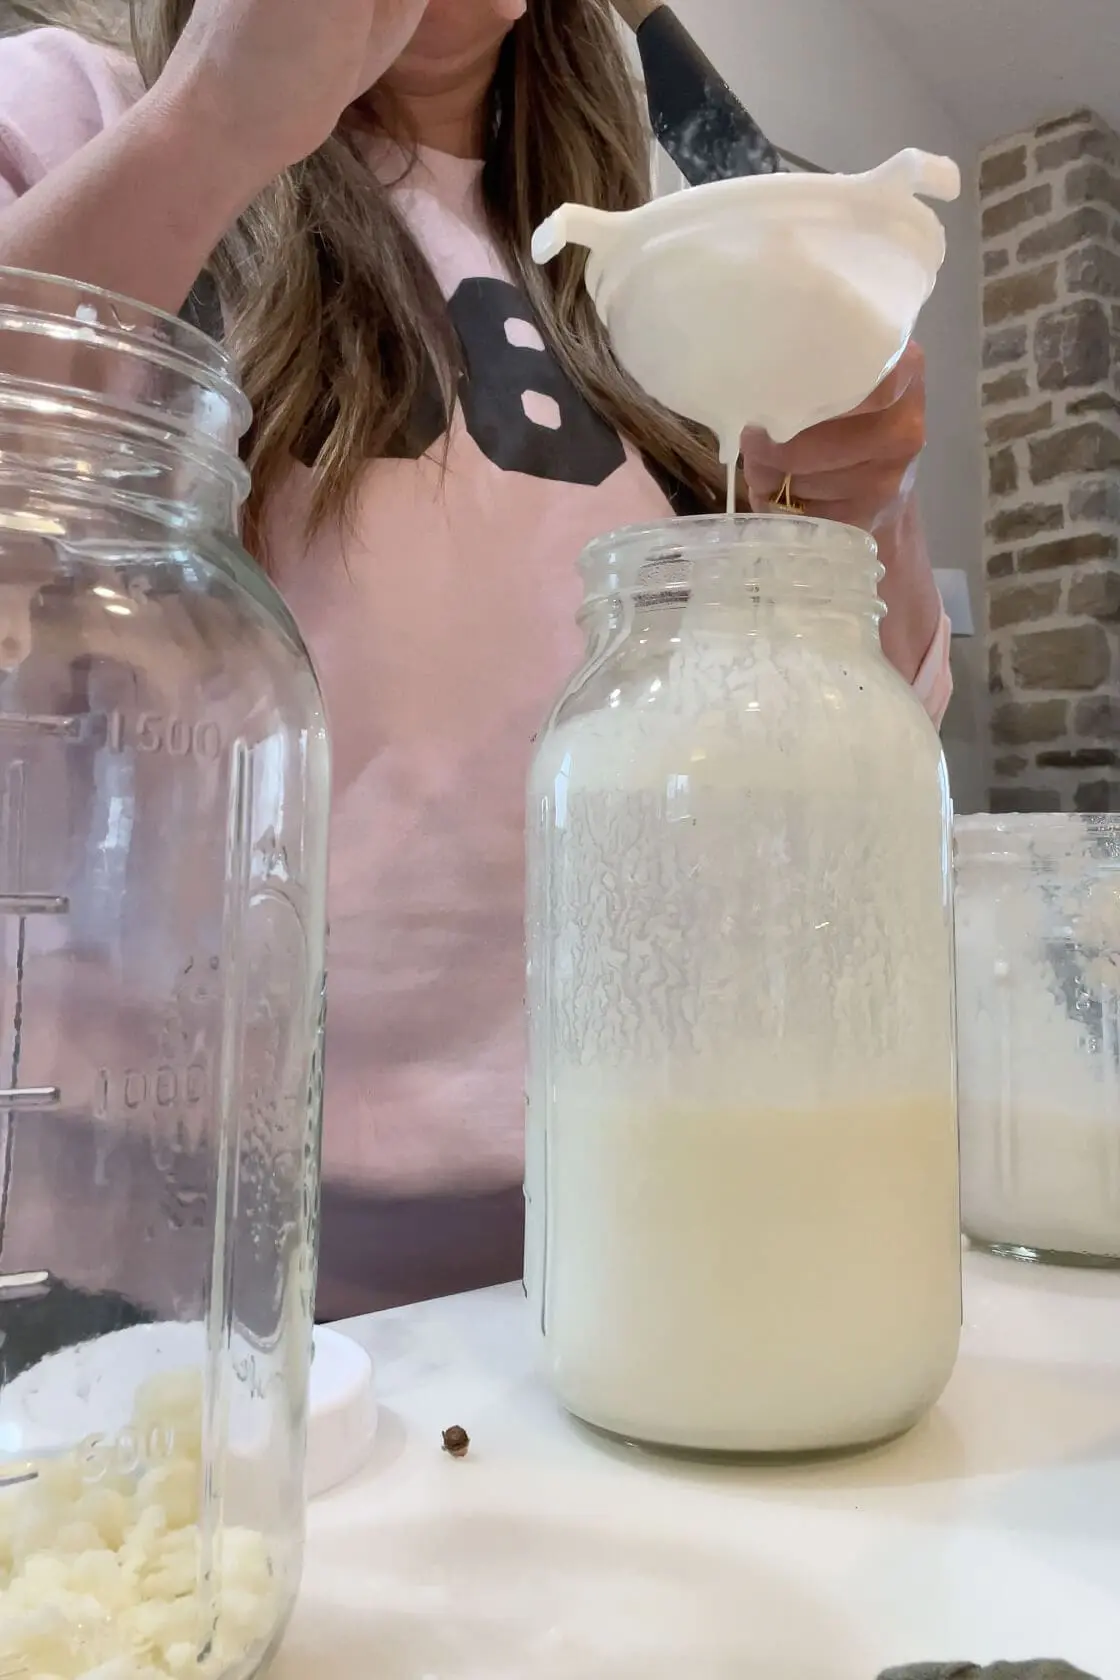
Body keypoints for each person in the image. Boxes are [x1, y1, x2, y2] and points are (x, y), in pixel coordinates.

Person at [0, 0, 952, 1318]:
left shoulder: (644, 264)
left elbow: (875, 724)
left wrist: (852, 509)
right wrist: (213, 123)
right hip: (154, 1274)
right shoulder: (78, 107)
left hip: (637, 1230)